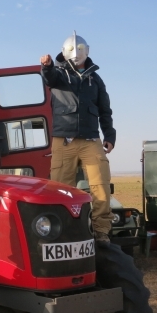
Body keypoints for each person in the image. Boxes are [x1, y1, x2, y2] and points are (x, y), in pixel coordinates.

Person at [40, 31, 116, 245]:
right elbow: (49, 78)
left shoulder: (95, 78)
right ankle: (61, 230)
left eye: (80, 49)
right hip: (64, 139)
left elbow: (105, 109)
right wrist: (46, 66)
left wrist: (109, 135)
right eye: (72, 50)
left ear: (87, 51)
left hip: (91, 140)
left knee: (101, 183)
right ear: (64, 53)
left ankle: (101, 232)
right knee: (60, 187)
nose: (76, 53)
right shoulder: (59, 73)